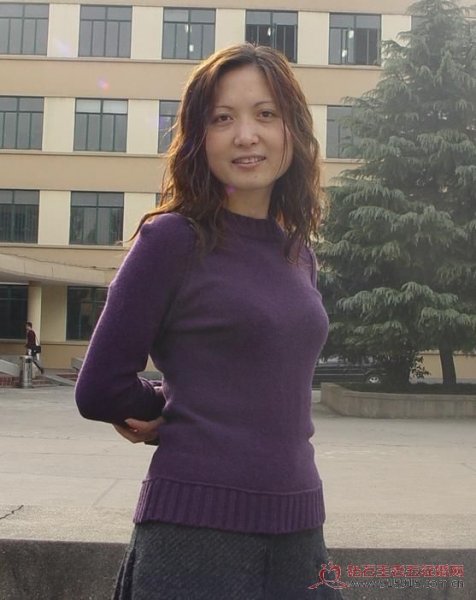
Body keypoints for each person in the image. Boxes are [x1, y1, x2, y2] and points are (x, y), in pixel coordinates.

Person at [76, 43, 344, 599]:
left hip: (299, 525)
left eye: (265, 114)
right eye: (223, 118)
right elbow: (100, 386)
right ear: (200, 138)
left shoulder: (298, 253)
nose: (246, 135)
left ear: (292, 130)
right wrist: (168, 410)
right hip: (195, 533)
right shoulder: (172, 239)